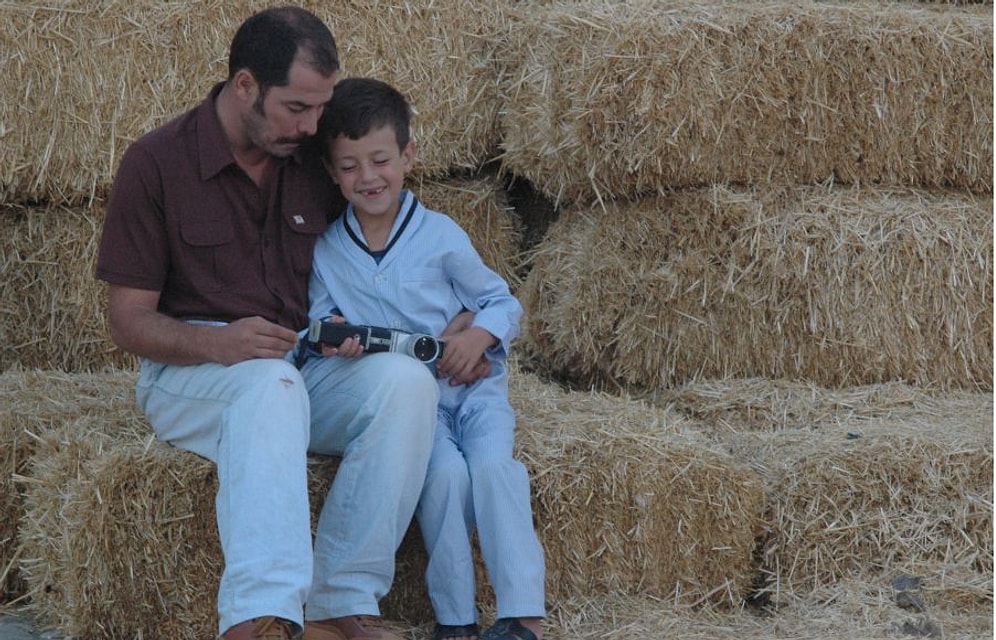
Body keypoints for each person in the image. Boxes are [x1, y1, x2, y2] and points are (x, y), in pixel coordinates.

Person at [97, 8, 481, 640]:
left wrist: (455, 327)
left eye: (319, 108)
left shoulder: (314, 159)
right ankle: (262, 616)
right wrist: (220, 344)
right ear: (245, 86)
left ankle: (340, 600)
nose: (312, 126)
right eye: (297, 108)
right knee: (267, 386)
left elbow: (393, 251)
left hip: (306, 366)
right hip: (191, 374)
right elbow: (128, 321)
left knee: (406, 384)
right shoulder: (156, 163)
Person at [303, 77, 546, 640]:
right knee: (442, 477)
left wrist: (477, 339)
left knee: (490, 470)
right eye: (349, 166)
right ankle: (455, 619)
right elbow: (317, 324)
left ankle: (524, 613)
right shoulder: (328, 250)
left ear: (408, 156)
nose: (368, 177)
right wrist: (335, 338)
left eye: (380, 160)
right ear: (329, 171)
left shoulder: (440, 236)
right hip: (421, 406)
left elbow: (500, 301)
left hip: (476, 389)